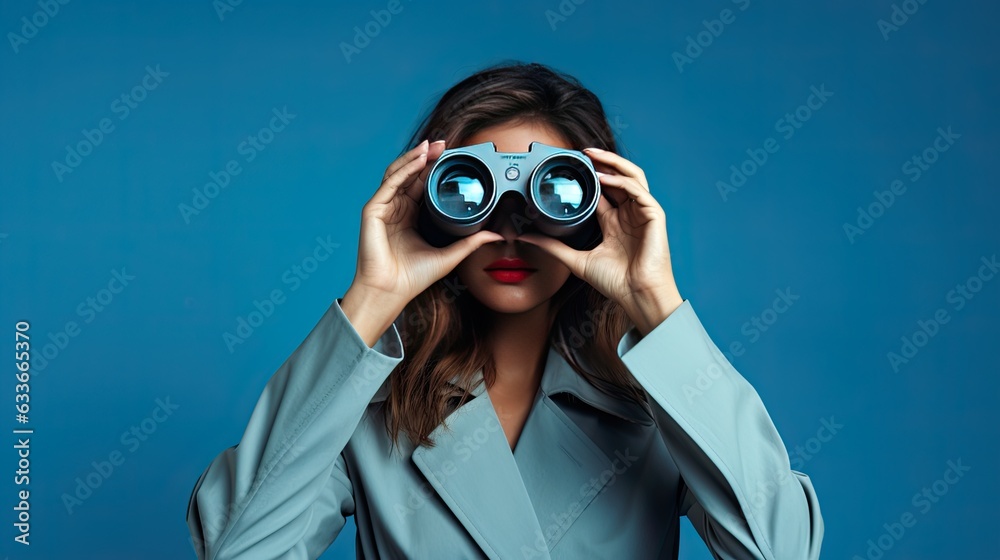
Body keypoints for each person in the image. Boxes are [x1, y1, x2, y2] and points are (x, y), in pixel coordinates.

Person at [185, 61, 824, 560]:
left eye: (550, 194)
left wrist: (653, 301)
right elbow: (236, 549)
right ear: (427, 200)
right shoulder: (364, 412)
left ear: (597, 209)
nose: (512, 229)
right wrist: (374, 300)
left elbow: (781, 552)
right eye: (473, 192)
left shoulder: (662, 407)